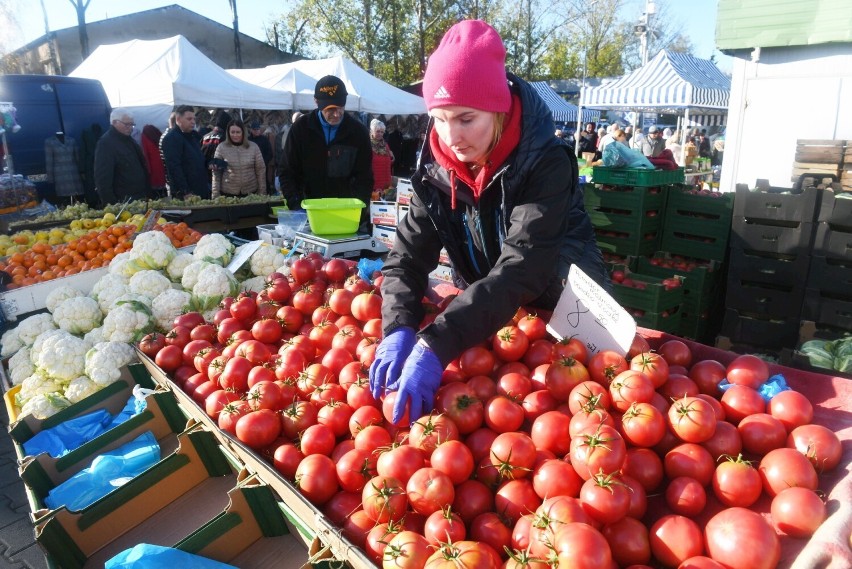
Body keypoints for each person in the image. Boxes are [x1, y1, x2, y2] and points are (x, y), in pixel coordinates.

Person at [368, 20, 608, 423]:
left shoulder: (545, 163)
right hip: (490, 318)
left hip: (564, 313)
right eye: (440, 119)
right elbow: (406, 259)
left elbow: (523, 266)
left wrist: (437, 343)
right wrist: (397, 327)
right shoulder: (436, 170)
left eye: (465, 118)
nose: (451, 136)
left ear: (497, 107)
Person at [277, 75, 373, 223]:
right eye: (330, 109)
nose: (336, 114)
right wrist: (296, 205)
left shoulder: (358, 132)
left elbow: (364, 177)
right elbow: (287, 171)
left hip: (347, 213)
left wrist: (359, 213)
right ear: (317, 102)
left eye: (340, 107)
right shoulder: (300, 129)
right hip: (309, 213)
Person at [93, 108, 151, 205]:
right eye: (127, 124)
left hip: (139, 197)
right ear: (115, 122)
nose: (130, 127)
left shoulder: (128, 139)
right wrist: (111, 204)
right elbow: (103, 179)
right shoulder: (106, 143)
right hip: (123, 201)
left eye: (132, 124)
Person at [160, 105, 209, 199]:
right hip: (186, 193)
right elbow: (174, 168)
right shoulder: (171, 138)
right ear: (178, 119)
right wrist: (185, 191)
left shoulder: (194, 136)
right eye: (189, 119)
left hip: (201, 188)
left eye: (194, 119)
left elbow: (201, 159)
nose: (193, 122)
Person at [211, 119, 267, 199]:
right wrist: (215, 195)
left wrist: (262, 192)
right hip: (228, 194)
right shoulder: (221, 148)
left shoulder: (253, 147)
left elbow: (260, 170)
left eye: (238, 132)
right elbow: (216, 172)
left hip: (250, 193)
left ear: (243, 133)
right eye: (232, 132)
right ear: (228, 133)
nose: (235, 135)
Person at [370, 118, 394, 196]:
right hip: (372, 183)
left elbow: (389, 161)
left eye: (382, 132)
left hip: (386, 181)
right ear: (372, 131)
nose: (380, 134)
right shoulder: (367, 145)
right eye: (377, 131)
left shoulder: (385, 145)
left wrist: (392, 158)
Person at [140, 124, 166, 196]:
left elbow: (145, 154)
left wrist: (148, 170)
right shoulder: (159, 136)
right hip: (162, 165)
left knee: (156, 191)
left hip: (153, 167)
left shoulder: (144, 136)